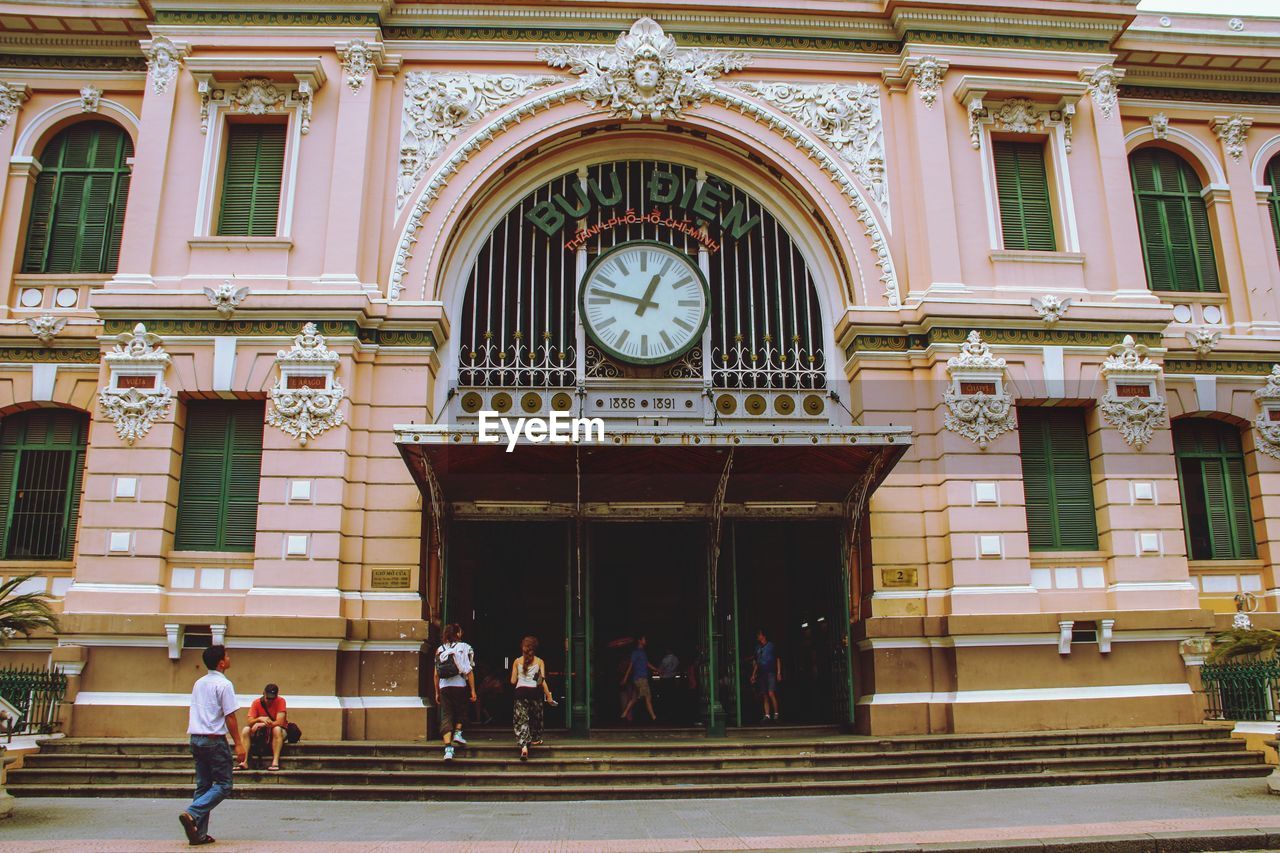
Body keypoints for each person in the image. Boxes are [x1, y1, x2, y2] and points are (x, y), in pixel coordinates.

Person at [179, 644, 245, 847]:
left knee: (203, 785)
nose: (229, 657)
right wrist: (239, 744)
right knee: (224, 785)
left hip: (196, 738)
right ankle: (193, 812)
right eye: (227, 655)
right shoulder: (224, 685)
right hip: (214, 740)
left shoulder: (199, 682)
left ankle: (199, 834)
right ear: (221, 662)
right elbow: (230, 716)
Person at [509, 635, 557, 761]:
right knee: (536, 716)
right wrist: (549, 696)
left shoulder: (516, 661)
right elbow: (541, 681)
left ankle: (524, 747)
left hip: (520, 692)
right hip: (534, 692)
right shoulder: (540, 662)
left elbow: (513, 681)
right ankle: (535, 739)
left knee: (521, 720)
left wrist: (521, 675)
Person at [434, 623, 475, 762]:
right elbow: (469, 671)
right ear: (457, 634)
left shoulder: (439, 649)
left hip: (444, 687)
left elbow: (436, 674)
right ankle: (458, 733)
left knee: (446, 715)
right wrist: (473, 690)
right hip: (459, 685)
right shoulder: (464, 647)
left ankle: (448, 749)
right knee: (461, 710)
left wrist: (437, 692)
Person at [238, 683, 287, 771]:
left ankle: (275, 762)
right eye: (268, 698)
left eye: (272, 698)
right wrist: (259, 719)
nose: (270, 701)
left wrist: (264, 724)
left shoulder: (281, 701)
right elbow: (249, 721)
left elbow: (280, 722)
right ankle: (244, 761)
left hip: (277, 731)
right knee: (245, 730)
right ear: (263, 693)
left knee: (276, 729)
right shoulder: (256, 703)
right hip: (261, 732)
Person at [620, 635, 659, 722]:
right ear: (639, 641)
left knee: (634, 699)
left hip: (638, 679)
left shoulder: (642, 652)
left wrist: (656, 669)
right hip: (640, 678)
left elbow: (647, 663)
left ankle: (623, 715)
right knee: (648, 697)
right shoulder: (636, 652)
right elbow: (631, 665)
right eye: (644, 639)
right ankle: (654, 718)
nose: (646, 640)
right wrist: (625, 678)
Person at [750, 628, 782, 722]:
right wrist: (753, 674)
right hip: (761, 674)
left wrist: (779, 672)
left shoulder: (771, 646)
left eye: (759, 635)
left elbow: (777, 659)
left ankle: (776, 713)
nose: (758, 637)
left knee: (771, 693)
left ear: (763, 636)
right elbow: (756, 662)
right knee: (765, 695)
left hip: (771, 672)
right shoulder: (757, 648)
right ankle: (767, 714)